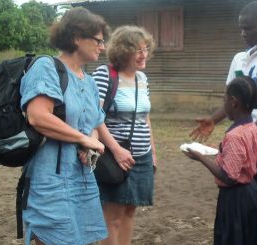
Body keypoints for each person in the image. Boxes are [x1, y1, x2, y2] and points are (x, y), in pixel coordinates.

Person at [190, 2, 257, 244]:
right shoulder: (242, 57)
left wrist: (245, 138)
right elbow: (232, 99)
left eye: (248, 29)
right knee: (247, 205)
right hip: (244, 144)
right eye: (241, 29)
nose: (243, 34)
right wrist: (214, 119)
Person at [19, 7, 109, 245]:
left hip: (82, 178)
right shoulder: (47, 67)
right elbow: (37, 116)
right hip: (50, 179)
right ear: (77, 37)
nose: (103, 47)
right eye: (98, 41)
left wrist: (89, 141)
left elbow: (95, 121)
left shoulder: (89, 82)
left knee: (85, 238)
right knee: (52, 238)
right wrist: (83, 139)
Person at [92, 26, 157, 245]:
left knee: (130, 212)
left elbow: (145, 119)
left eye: (146, 49)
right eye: (137, 50)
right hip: (115, 157)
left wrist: (153, 154)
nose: (143, 54)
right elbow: (95, 116)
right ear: (122, 51)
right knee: (113, 218)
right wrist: (117, 150)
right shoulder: (105, 74)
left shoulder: (142, 79)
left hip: (142, 157)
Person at [183, 76, 257, 245]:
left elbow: (229, 176)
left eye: (224, 100)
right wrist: (221, 149)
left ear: (233, 102)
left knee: (234, 238)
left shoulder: (235, 136)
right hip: (252, 193)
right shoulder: (253, 129)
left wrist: (200, 157)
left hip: (236, 199)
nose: (223, 104)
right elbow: (242, 157)